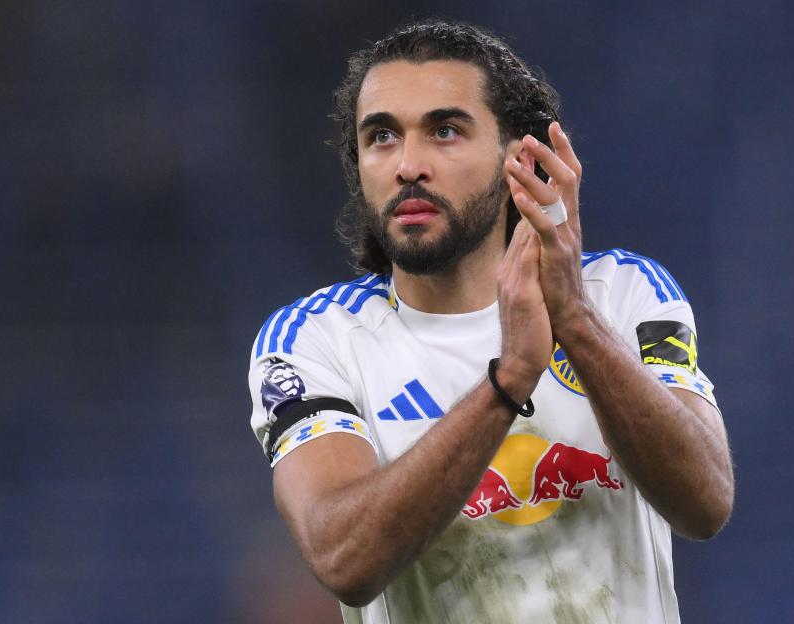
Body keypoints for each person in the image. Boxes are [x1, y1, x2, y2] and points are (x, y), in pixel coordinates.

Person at [247, 19, 733, 624]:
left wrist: (576, 322)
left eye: (445, 131)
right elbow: (344, 559)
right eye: (382, 137)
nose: (408, 165)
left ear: (521, 159)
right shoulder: (314, 341)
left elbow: (705, 503)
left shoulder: (625, 293)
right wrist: (509, 380)